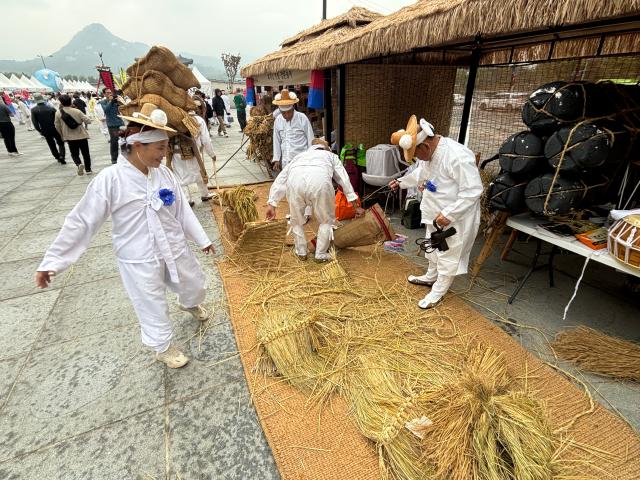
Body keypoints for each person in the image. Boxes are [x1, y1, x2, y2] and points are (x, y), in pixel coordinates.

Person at [35, 105, 213, 368]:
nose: (164, 156)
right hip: (138, 255)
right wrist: (53, 262)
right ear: (138, 146)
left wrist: (202, 239)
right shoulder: (111, 179)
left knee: (194, 283)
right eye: (160, 149)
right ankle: (162, 346)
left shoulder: (163, 174)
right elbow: (82, 221)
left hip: (173, 244)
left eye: (165, 148)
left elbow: (181, 210)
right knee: (149, 301)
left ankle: (188, 303)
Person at [389, 115, 483, 309]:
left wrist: (450, 214)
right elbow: (420, 173)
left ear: (426, 146)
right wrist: (401, 182)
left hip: (456, 217)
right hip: (435, 212)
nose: (417, 158)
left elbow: (473, 190)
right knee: (433, 247)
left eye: (417, 154)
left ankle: (438, 291)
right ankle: (431, 276)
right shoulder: (428, 155)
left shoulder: (458, 156)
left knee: (448, 253)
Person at [266, 139, 363, 262]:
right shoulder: (331, 156)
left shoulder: (299, 156)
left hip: (295, 184)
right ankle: (320, 254)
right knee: (326, 220)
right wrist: (355, 205)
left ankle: (301, 252)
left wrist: (272, 203)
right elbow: (344, 179)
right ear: (325, 148)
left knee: (296, 220)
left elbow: (281, 179)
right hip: (320, 184)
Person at [271, 89, 314, 172]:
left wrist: (311, 158)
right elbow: (276, 140)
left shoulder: (302, 118)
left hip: (302, 161)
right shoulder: (278, 120)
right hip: (285, 162)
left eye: (289, 112)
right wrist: (276, 159)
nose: (287, 115)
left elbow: (310, 138)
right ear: (280, 111)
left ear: (293, 108)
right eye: (284, 113)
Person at [55, 94, 93, 175]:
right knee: (86, 153)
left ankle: (79, 164)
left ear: (61, 102)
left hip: (69, 137)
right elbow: (88, 121)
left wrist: (62, 135)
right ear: (70, 101)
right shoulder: (77, 111)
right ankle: (88, 169)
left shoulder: (58, 113)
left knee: (74, 154)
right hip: (81, 135)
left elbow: (57, 126)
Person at [31, 94, 66, 164]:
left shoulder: (34, 110)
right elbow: (59, 118)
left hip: (45, 129)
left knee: (51, 144)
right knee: (60, 143)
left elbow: (35, 123)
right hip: (55, 128)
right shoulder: (51, 108)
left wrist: (39, 130)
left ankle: (57, 156)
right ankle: (62, 156)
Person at [100, 87, 124, 163]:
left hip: (120, 122)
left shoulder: (115, 100)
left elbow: (123, 107)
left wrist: (120, 101)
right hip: (112, 124)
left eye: (110, 92)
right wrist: (111, 101)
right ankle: (114, 159)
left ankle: (125, 157)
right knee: (114, 142)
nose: (109, 93)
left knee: (124, 141)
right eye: (107, 92)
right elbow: (106, 110)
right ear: (104, 94)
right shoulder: (103, 102)